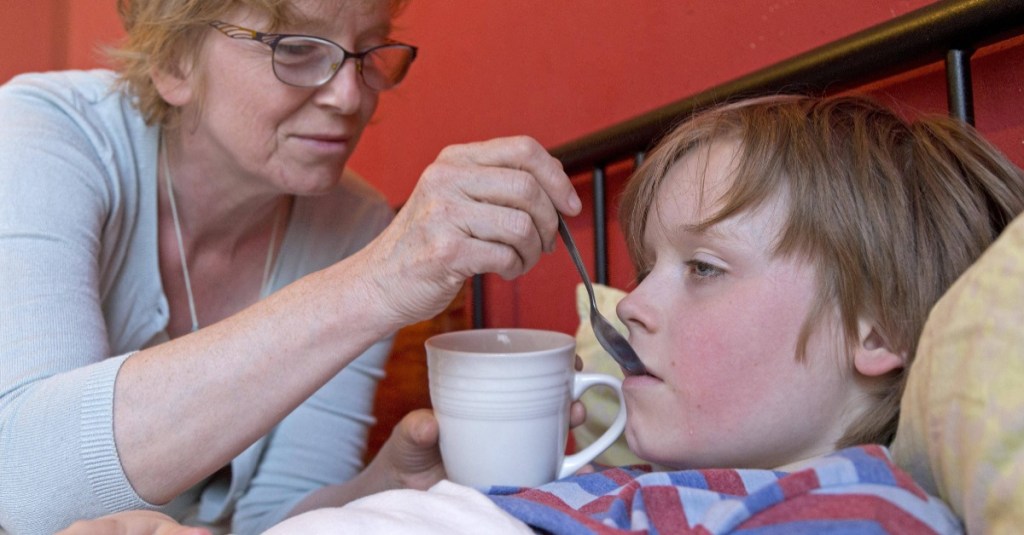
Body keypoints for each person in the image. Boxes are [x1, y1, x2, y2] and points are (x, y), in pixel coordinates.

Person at [267, 94, 1024, 532]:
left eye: (703, 267)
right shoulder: (626, 486)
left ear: (878, 328)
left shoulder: (854, 510)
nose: (628, 304)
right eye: (646, 266)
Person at [0, 0, 583, 533]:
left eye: (369, 51)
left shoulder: (353, 221)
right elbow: (20, 479)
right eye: (296, 49)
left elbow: (271, 519)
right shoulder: (45, 134)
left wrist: (387, 488)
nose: (350, 98)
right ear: (174, 61)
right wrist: (375, 280)